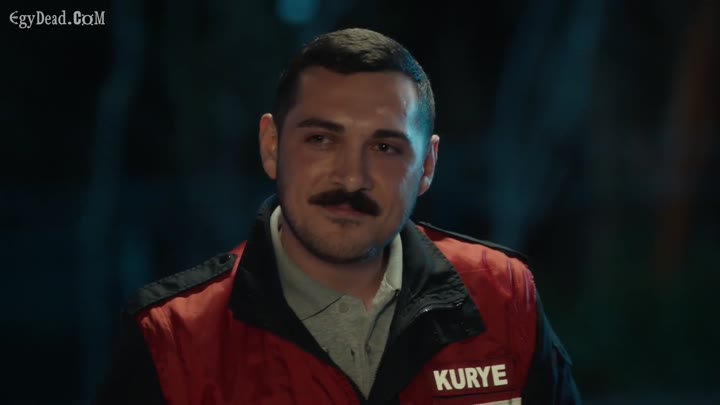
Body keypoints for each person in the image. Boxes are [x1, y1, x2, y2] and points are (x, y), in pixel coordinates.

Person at [95, 27, 580, 404]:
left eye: (385, 147)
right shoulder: (174, 338)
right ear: (272, 145)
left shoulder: (503, 296)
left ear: (428, 165)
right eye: (321, 140)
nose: (351, 177)